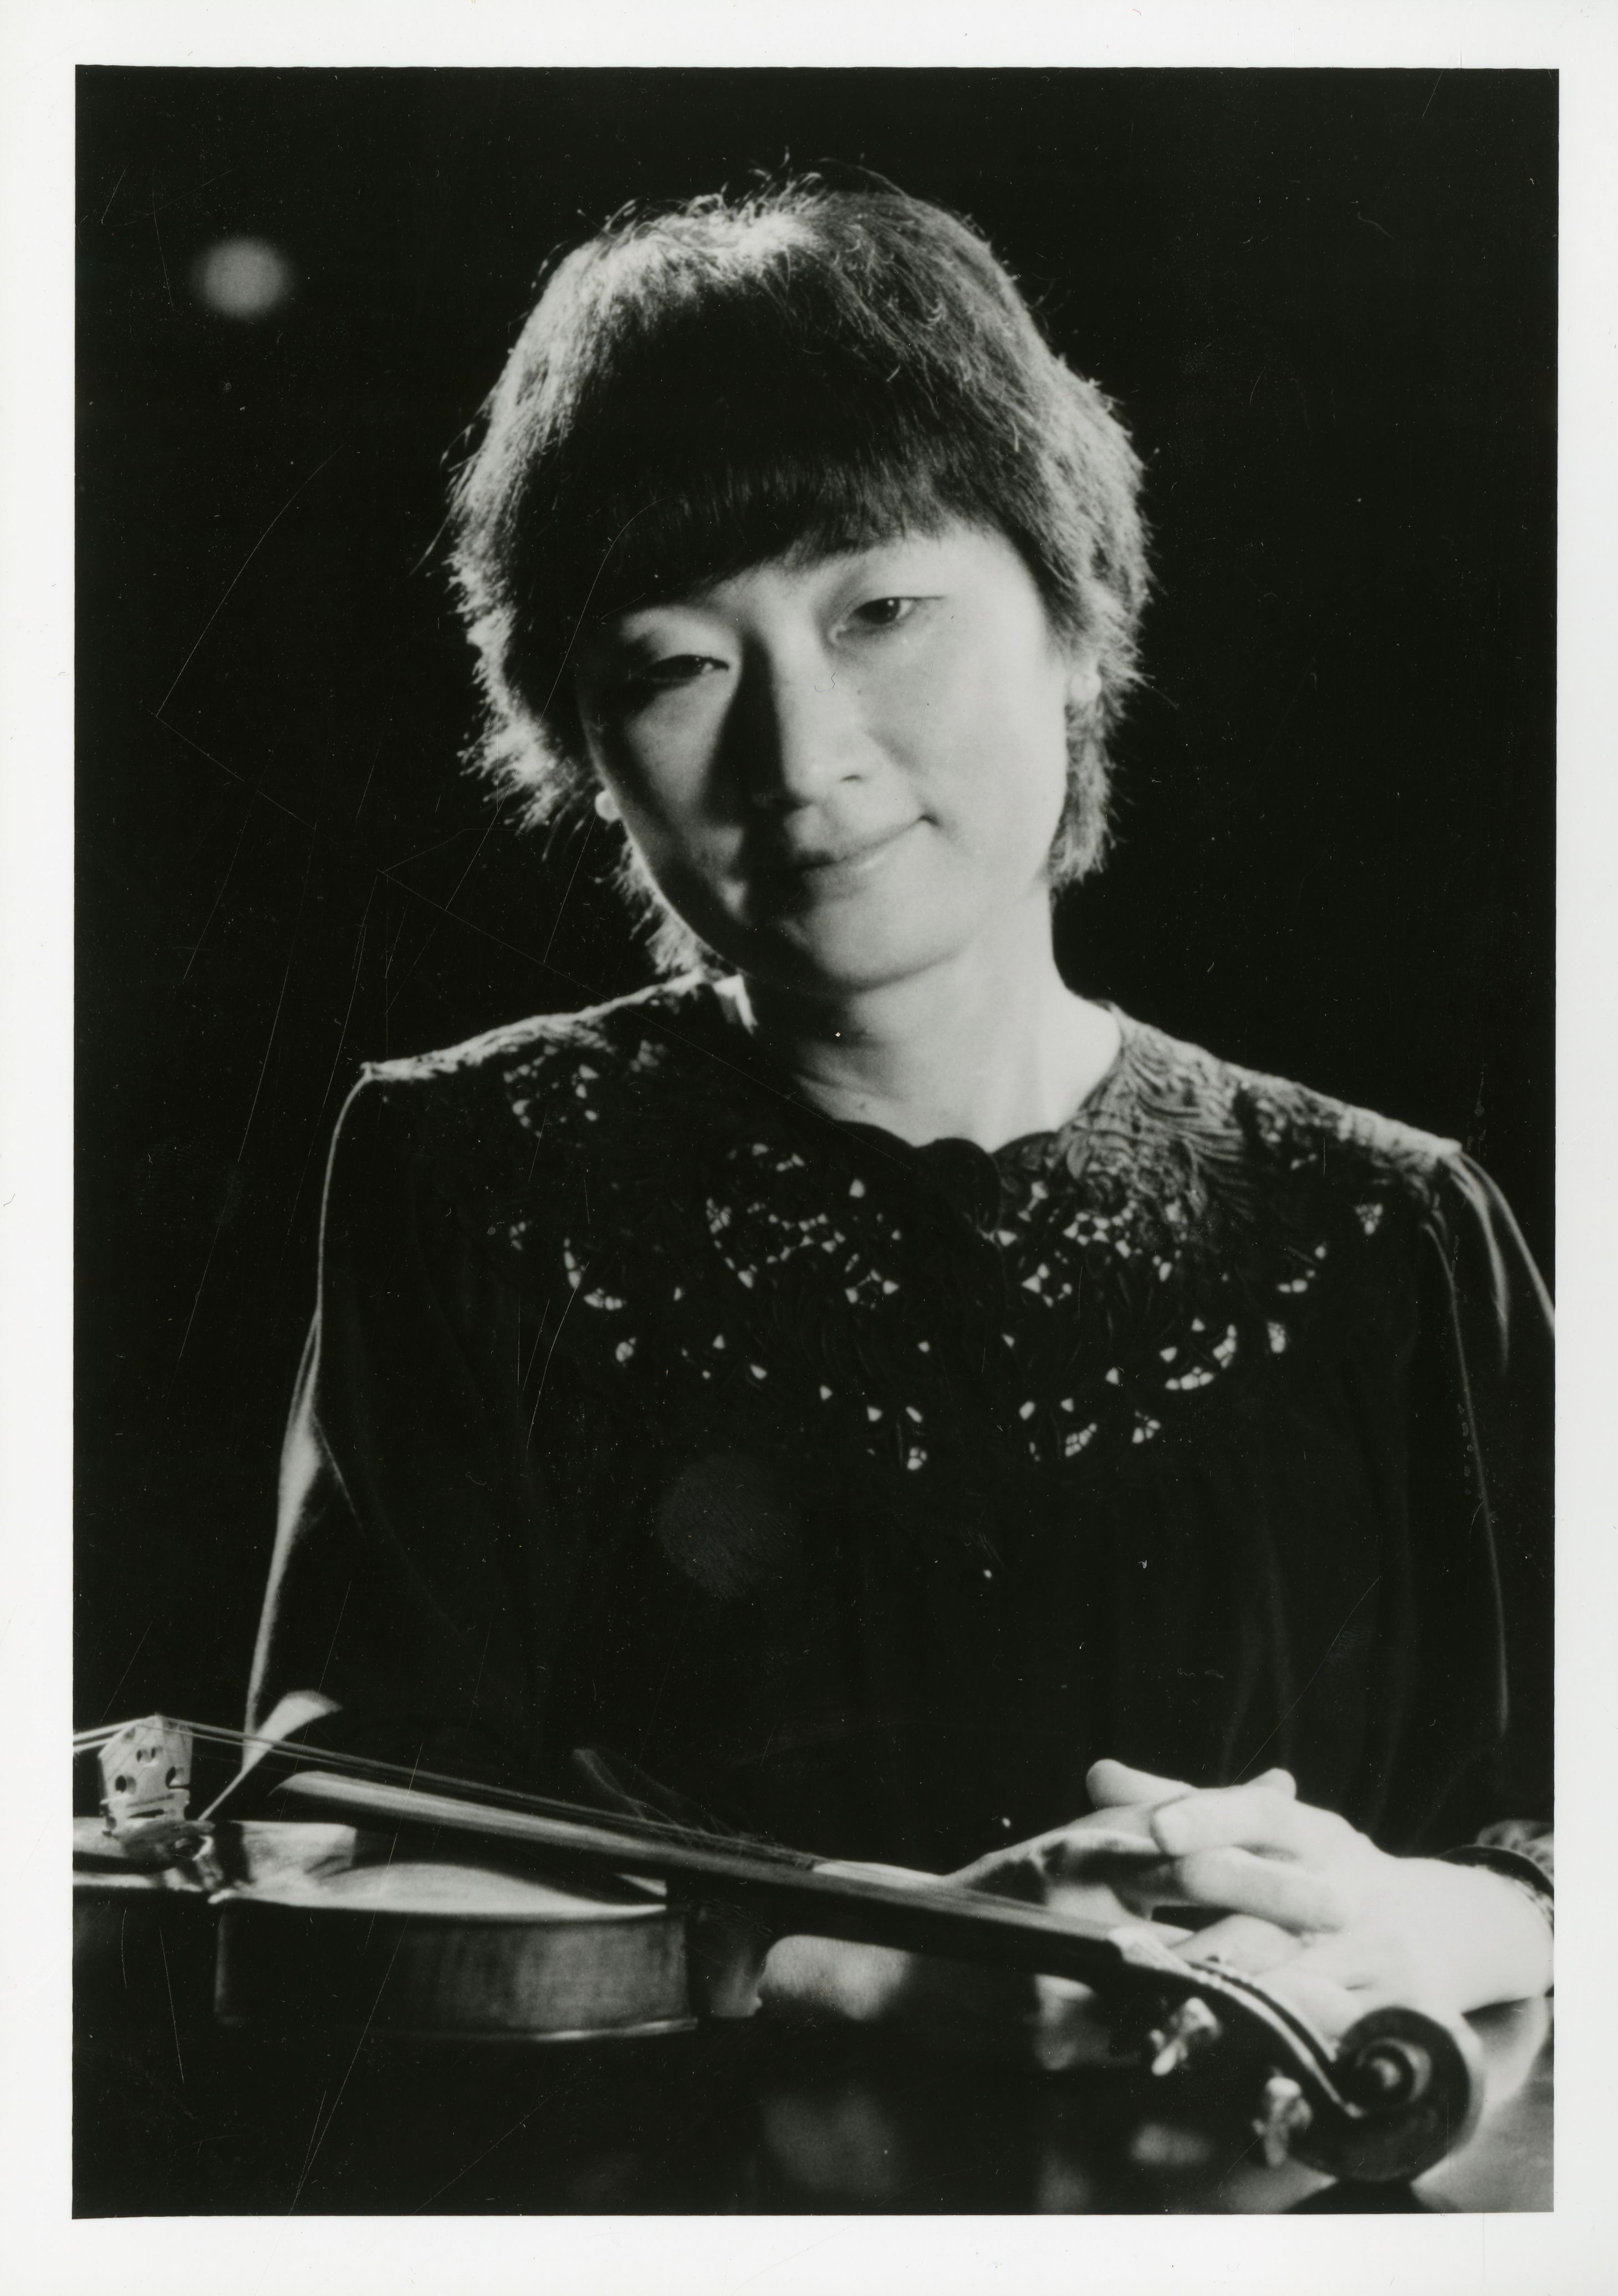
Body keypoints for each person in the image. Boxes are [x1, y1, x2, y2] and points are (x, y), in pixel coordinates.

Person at [246, 178, 1553, 2054]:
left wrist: (1434, 1921)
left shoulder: (1395, 1226)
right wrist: (874, 1961)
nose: (803, 757)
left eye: (883, 610)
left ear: (1074, 617)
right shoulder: (468, 1174)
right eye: (677, 665)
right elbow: (333, 1841)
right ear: (585, 748)